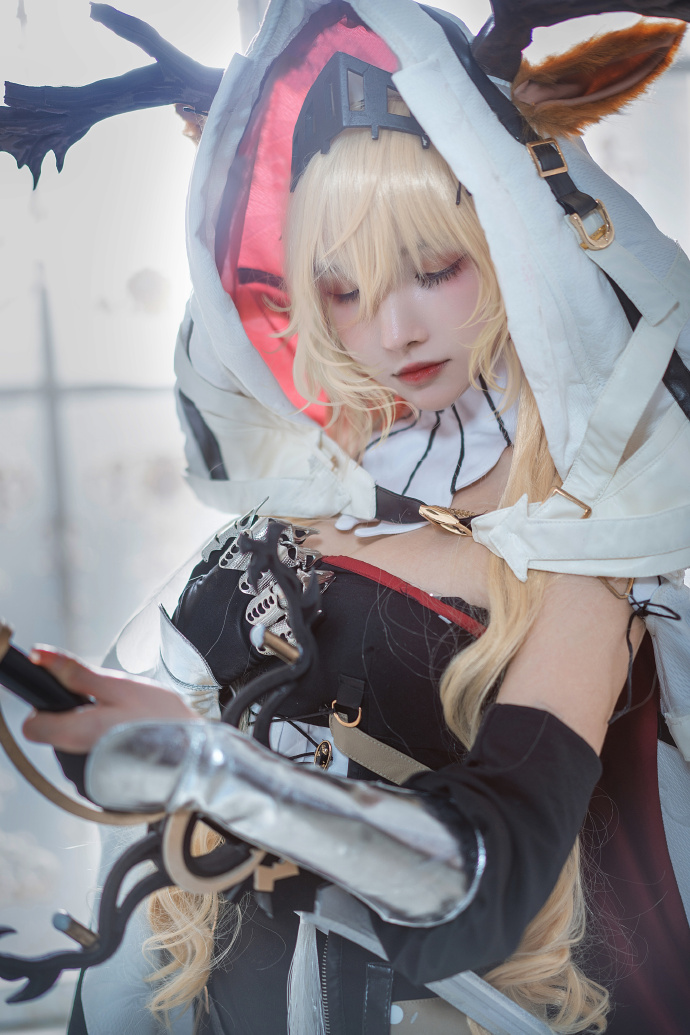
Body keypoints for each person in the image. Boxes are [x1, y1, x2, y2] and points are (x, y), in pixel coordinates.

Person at [17, 3, 690, 1034]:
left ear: (514, 241)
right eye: (343, 289)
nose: (394, 329)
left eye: (435, 268)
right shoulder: (303, 497)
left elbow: (486, 878)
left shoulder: (585, 550)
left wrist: (211, 765)